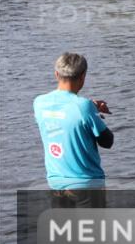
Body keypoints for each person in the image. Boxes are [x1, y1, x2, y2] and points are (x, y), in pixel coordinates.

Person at [33, 53, 114, 207]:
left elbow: (63, 119)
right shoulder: (84, 107)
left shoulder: (39, 103)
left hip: (56, 184)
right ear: (83, 76)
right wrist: (94, 113)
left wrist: (91, 107)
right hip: (87, 185)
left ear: (56, 74)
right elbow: (107, 141)